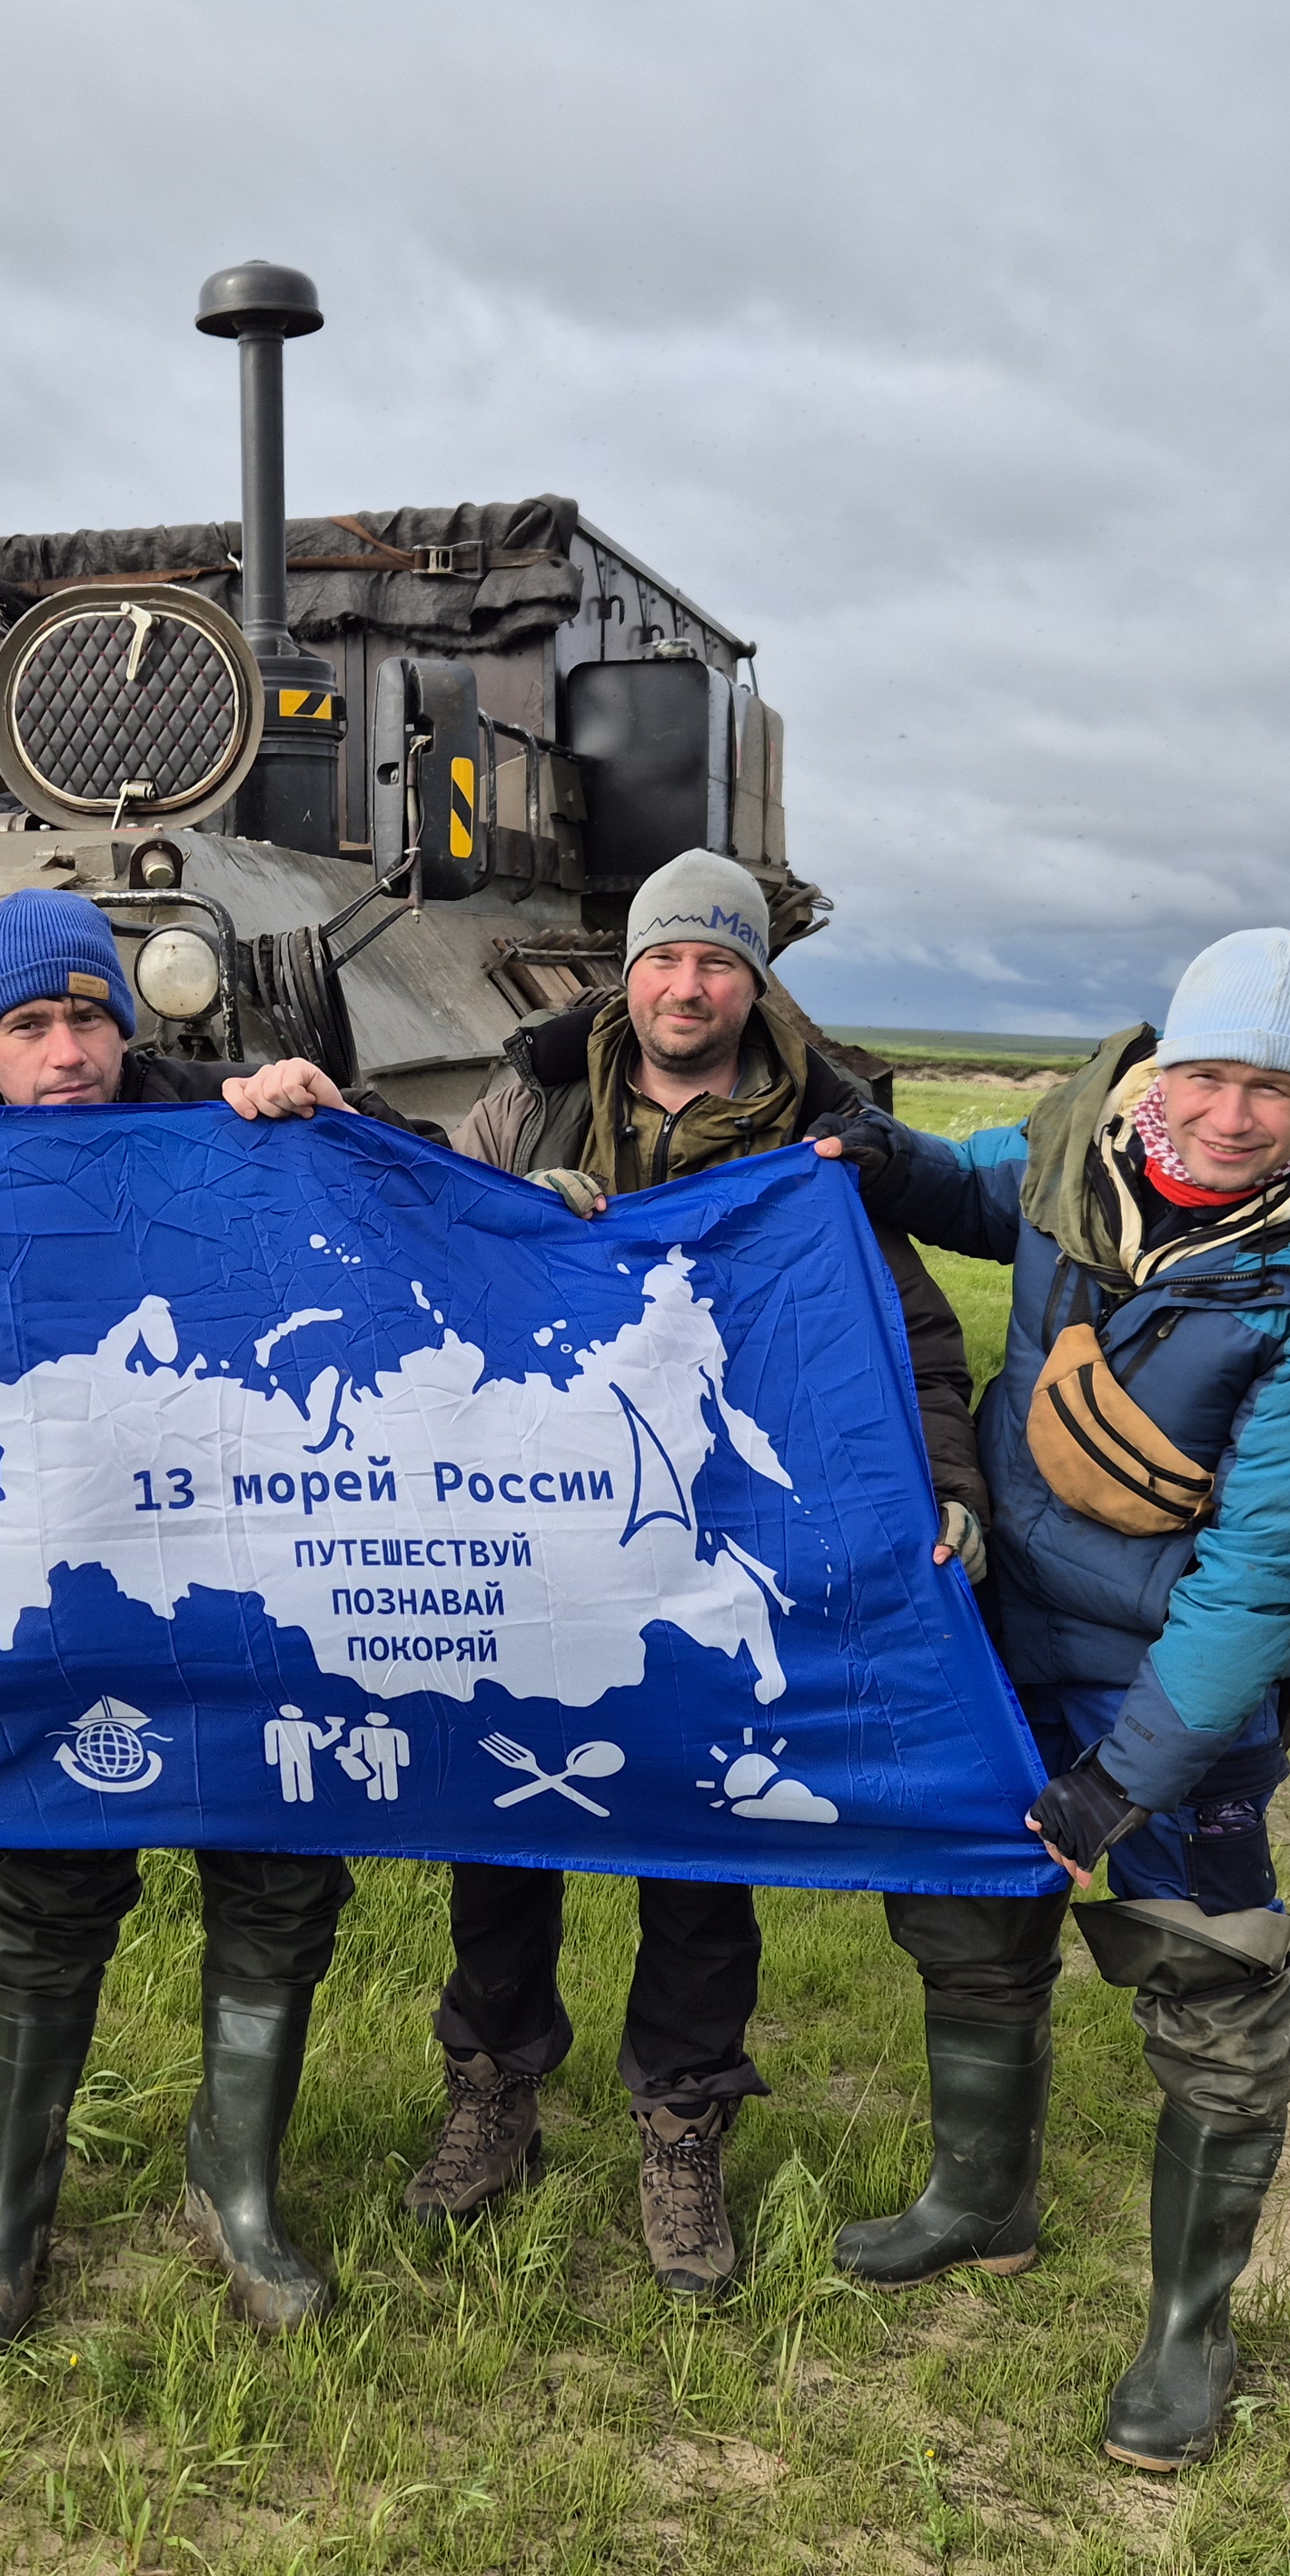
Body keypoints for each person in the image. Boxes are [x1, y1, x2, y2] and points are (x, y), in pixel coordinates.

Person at [807, 926, 1290, 2472]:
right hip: (1001, 1627)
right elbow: (970, 1190)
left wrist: (1120, 1779)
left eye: (1274, 1090)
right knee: (969, 1919)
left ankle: (1186, 2335)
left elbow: (1265, 1585)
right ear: (1158, 1073)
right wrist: (884, 1159)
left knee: (1208, 1978)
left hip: (1172, 1682)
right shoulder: (1084, 1150)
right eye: (1207, 1074)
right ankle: (979, 2203)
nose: (1229, 1116)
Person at [405, 847, 993, 2300]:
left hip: (725, 1539)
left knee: (704, 1835)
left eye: (717, 961)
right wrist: (510, 1217)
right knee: (503, 1816)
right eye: (664, 957)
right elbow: (417, 1259)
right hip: (539, 1525)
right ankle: (492, 2090)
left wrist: (953, 1485)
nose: (686, 986)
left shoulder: (826, 1139)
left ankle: (682, 2122)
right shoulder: (530, 1098)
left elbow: (900, 1332)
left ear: (754, 978)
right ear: (629, 969)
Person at [0, 885, 400, 2343]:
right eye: (28, 1024)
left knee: (276, 1882)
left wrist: (324, 1113)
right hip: (63, 1591)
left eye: (87, 1015)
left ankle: (233, 2184)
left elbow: (398, 1218)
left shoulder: (235, 1129)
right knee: (48, 1892)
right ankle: (8, 2211)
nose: (65, 1049)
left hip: (248, 1581)